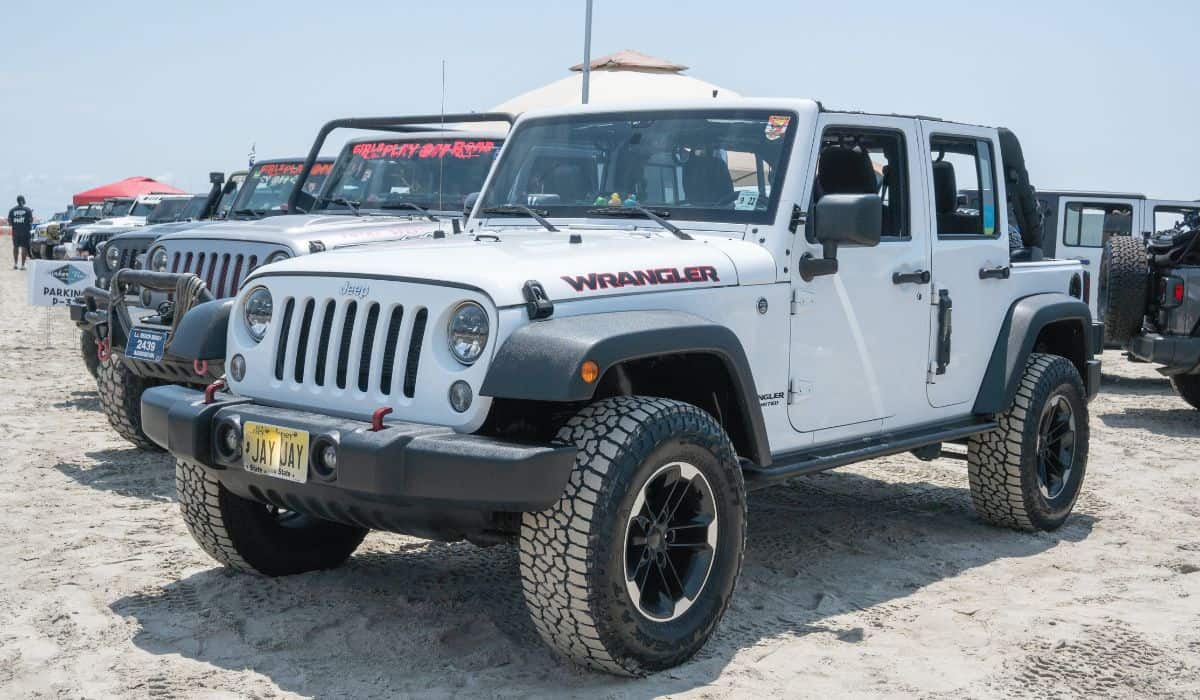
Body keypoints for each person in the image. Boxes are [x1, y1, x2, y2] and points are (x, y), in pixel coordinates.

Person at [7, 195, 33, 270]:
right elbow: (31, 221)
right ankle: (22, 265)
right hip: (25, 232)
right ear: (22, 200)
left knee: (15, 247)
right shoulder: (28, 210)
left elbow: (9, 222)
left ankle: (15, 264)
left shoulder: (12, 210)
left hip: (15, 232)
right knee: (24, 248)